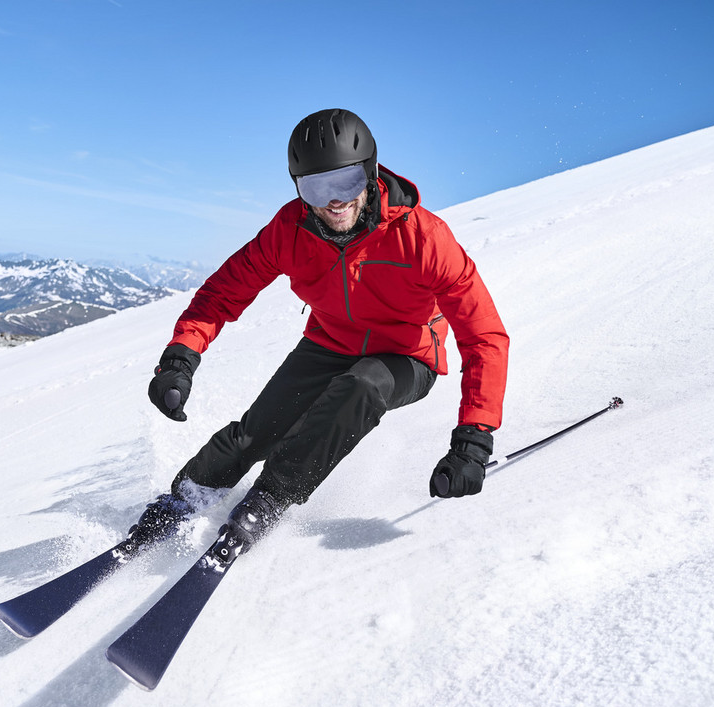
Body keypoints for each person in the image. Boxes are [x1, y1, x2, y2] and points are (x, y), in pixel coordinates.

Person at [129, 108, 509, 554]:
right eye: (315, 187)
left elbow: (483, 335)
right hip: (328, 344)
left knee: (361, 387)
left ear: (368, 175)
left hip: (406, 356)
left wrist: (473, 440)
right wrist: (180, 358)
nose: (333, 201)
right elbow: (223, 292)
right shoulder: (290, 230)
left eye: (345, 183)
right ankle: (188, 497)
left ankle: (268, 500)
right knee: (257, 431)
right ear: (298, 188)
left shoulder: (423, 239)